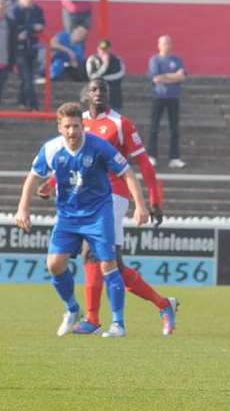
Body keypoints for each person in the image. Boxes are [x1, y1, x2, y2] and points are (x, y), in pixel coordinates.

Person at [38, 79, 178, 336]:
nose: (99, 93)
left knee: (94, 254)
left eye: (103, 89)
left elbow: (143, 164)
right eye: (94, 89)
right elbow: (70, 162)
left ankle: (93, 318)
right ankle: (163, 304)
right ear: (86, 94)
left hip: (112, 195)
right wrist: (51, 182)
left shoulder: (120, 123)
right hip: (83, 198)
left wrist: (152, 200)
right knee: (112, 264)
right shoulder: (77, 122)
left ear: (109, 94)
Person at [15, 102, 149, 338]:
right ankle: (72, 309)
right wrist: (22, 209)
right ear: (60, 127)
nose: (71, 131)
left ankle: (118, 324)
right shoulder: (51, 149)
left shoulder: (99, 147)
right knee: (54, 265)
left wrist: (140, 205)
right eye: (67, 127)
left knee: (108, 264)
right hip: (68, 216)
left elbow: (127, 172)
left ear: (82, 126)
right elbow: (34, 177)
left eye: (76, 126)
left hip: (98, 213)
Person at [147, 35, 187, 169]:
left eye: (169, 43)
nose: (167, 45)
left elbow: (182, 77)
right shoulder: (155, 60)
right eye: (164, 43)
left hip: (173, 97)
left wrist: (166, 76)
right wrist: (174, 76)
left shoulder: (177, 59)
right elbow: (156, 78)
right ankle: (151, 155)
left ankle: (174, 157)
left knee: (174, 128)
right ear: (159, 45)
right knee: (154, 127)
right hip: (159, 96)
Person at [11, 0, 44, 110]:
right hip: (18, 49)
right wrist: (31, 27)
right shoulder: (14, 10)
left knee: (27, 77)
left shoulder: (38, 10)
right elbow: (14, 28)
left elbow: (41, 25)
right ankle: (34, 105)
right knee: (27, 76)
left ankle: (22, 101)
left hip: (33, 48)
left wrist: (26, 29)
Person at [86, 39, 126, 109]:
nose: (103, 51)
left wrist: (103, 78)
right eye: (102, 49)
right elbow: (91, 76)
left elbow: (120, 74)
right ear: (98, 49)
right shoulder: (92, 59)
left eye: (106, 49)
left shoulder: (117, 59)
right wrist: (105, 64)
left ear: (109, 49)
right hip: (97, 92)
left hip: (114, 91)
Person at [0, 0, 17, 105]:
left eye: (3, 4)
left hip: (4, 64)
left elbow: (13, 44)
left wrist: (12, 63)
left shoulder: (10, 23)